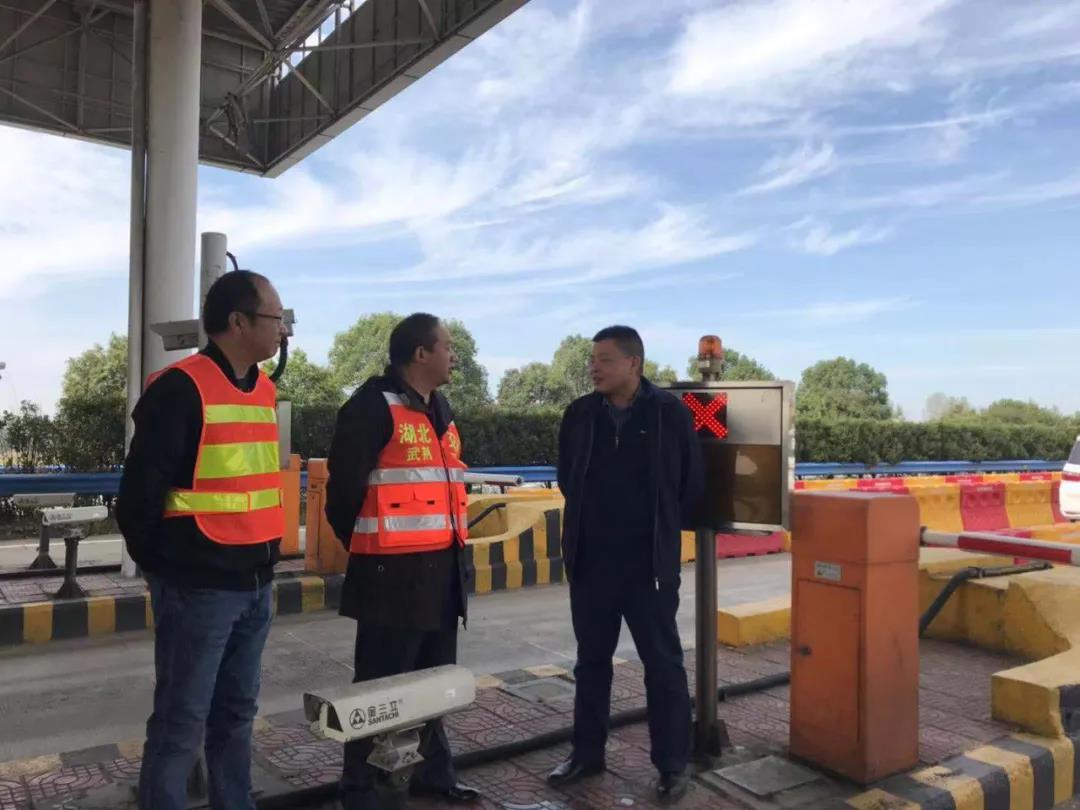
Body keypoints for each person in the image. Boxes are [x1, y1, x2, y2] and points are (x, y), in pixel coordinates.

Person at [117, 271, 289, 810]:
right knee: (180, 723)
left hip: (256, 585)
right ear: (238, 322)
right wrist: (171, 572)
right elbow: (137, 501)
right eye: (276, 318)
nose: (283, 329)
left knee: (236, 716)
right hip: (199, 591)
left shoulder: (265, 389)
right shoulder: (179, 388)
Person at [325, 312, 481, 810]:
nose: (454, 355)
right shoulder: (371, 407)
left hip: (442, 574)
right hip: (391, 579)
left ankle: (433, 775)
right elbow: (342, 496)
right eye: (448, 346)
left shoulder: (441, 408)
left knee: (435, 684)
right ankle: (362, 791)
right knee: (380, 691)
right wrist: (372, 550)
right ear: (421, 353)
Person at [549, 325, 704, 803]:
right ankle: (587, 754)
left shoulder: (669, 414)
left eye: (605, 359)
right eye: (593, 360)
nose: (593, 368)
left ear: (633, 363)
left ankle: (672, 765)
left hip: (648, 568)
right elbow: (567, 478)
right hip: (592, 564)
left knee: (663, 665)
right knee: (591, 663)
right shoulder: (579, 415)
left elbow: (690, 484)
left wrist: (657, 532)